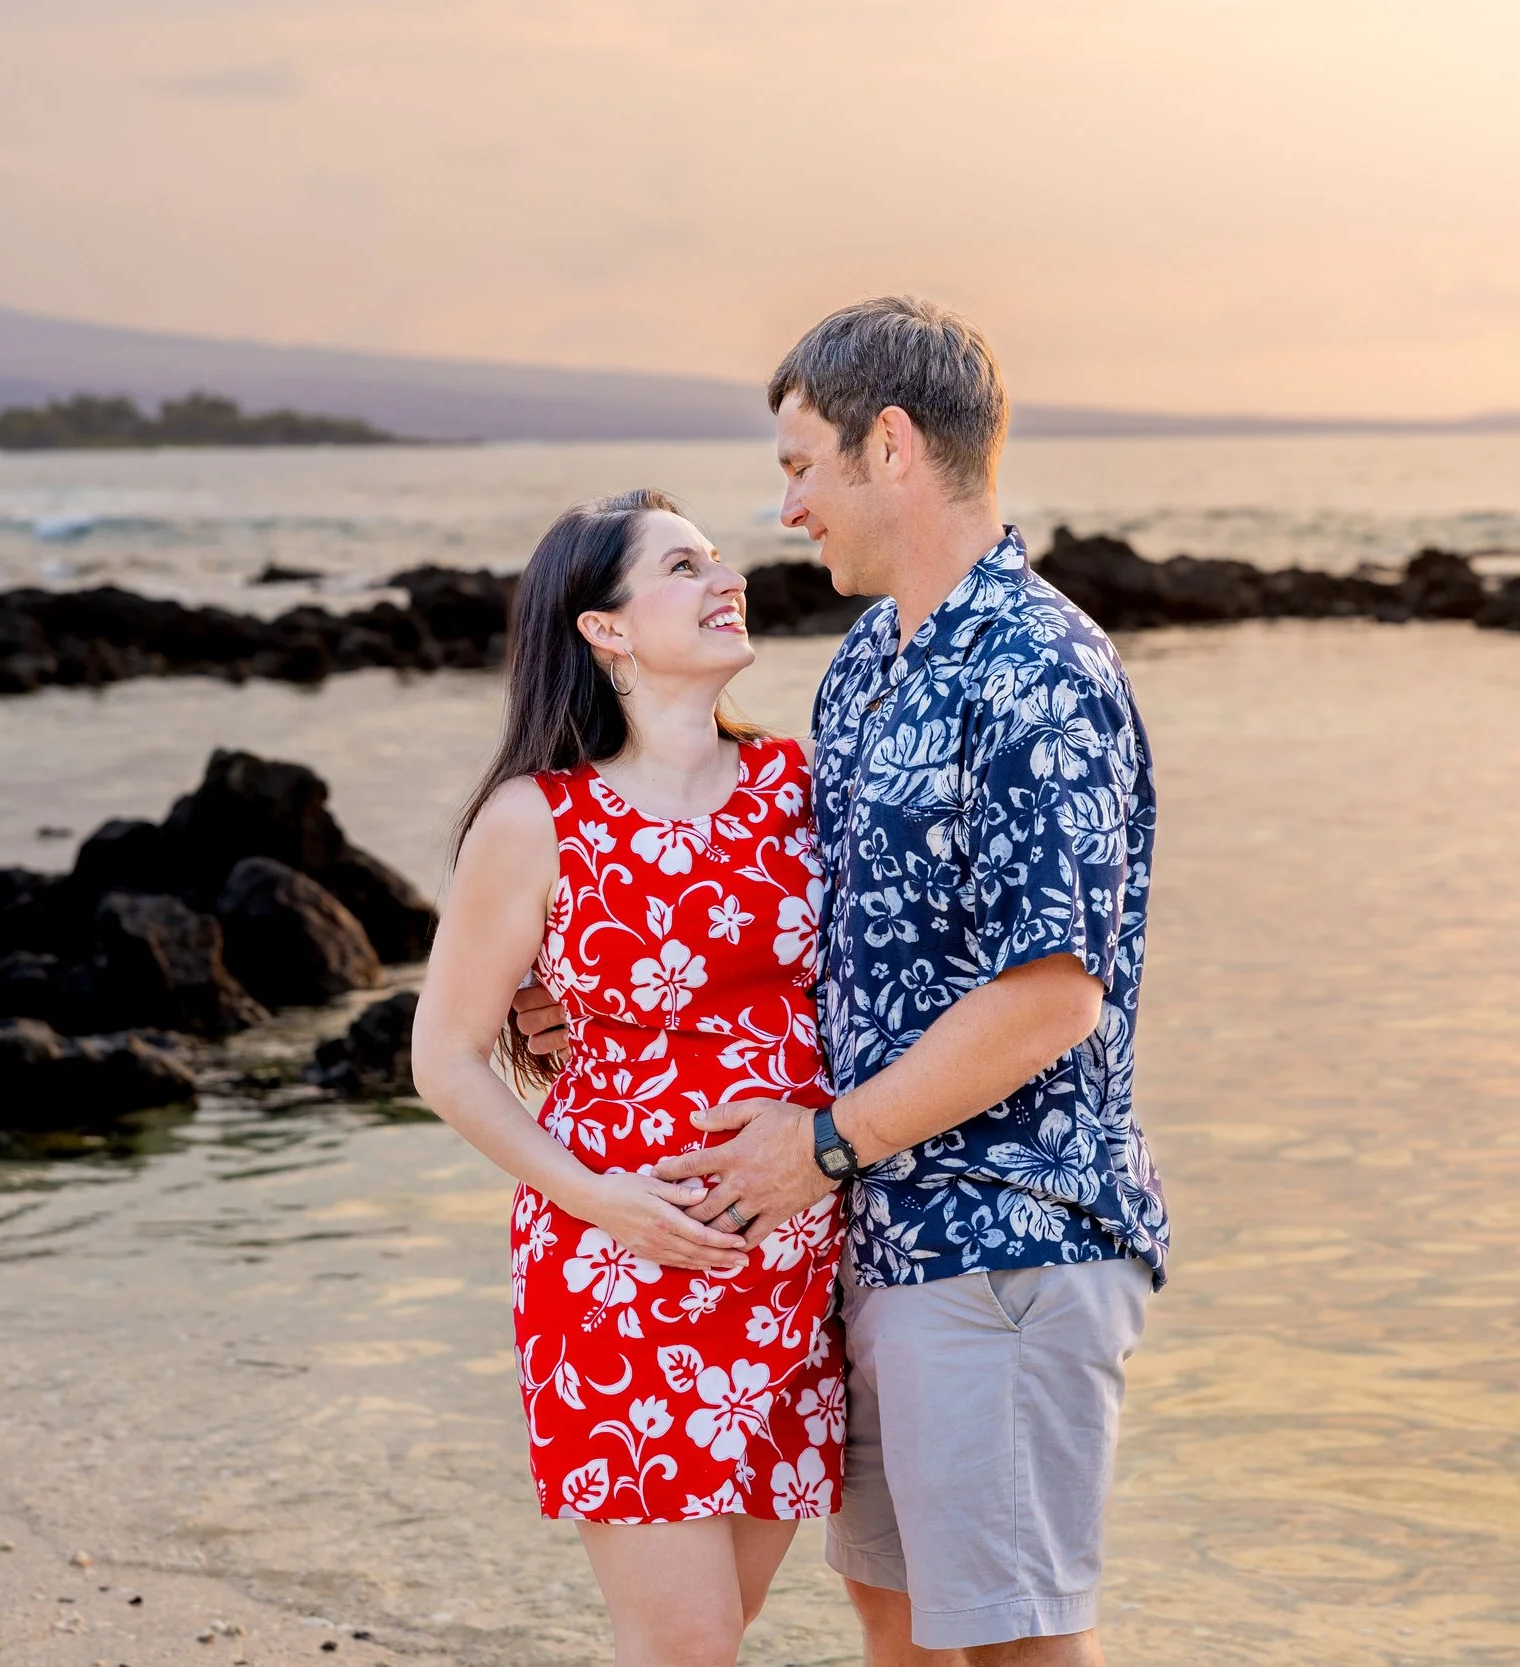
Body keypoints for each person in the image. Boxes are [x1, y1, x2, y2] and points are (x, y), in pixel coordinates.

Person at [524, 299, 1167, 1666]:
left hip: (1004, 1232)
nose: (790, 504)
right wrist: (597, 1000)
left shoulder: (1038, 672)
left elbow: (1054, 993)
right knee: (905, 1625)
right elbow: (799, 932)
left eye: (802, 464)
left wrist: (820, 1142)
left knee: (1014, 1641)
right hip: (870, 1244)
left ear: (890, 444)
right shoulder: (871, 667)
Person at [410, 490, 846, 1667]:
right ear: (604, 628)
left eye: (719, 558)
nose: (726, 577)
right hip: (617, 1272)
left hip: (794, 1270)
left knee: (718, 1629)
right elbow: (443, 1057)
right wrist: (595, 1196)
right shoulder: (536, 820)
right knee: (689, 1644)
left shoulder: (801, 786)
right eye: (682, 565)